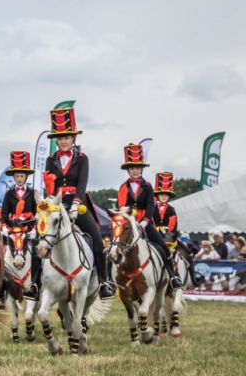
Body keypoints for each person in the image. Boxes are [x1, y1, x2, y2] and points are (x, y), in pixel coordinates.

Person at [42, 107, 114, 299]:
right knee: (40, 239)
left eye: (67, 137)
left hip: (77, 206)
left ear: (74, 138)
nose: (64, 140)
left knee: (97, 239)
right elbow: (50, 186)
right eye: (60, 137)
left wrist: (75, 204)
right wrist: (50, 202)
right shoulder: (50, 160)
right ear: (56, 140)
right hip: (57, 206)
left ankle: (104, 282)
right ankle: (34, 282)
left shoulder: (83, 159)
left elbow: (82, 184)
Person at [116, 147, 182, 289]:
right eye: (132, 168)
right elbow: (121, 205)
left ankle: (173, 276)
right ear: (128, 170)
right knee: (114, 247)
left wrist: (145, 222)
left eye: (137, 168)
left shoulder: (147, 186)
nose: (135, 170)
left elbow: (150, 206)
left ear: (141, 170)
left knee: (164, 247)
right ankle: (111, 280)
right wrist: (127, 219)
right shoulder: (123, 187)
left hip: (145, 222)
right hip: (128, 223)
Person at [0, 150, 39, 300]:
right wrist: (3, 226)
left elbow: (36, 214)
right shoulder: (9, 194)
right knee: (2, 251)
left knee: (38, 250)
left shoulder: (32, 193)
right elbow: (4, 214)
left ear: (26, 177)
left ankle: (36, 282)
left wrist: (34, 229)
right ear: (14, 177)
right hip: (13, 229)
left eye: (22, 176)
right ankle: (3, 284)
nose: (19, 179)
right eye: (17, 176)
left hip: (29, 229)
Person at [153, 171, 203, 286]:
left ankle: (192, 276)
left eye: (166, 194)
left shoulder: (171, 209)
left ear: (169, 196)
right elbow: (150, 221)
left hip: (169, 236)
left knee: (188, 252)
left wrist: (170, 233)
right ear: (157, 195)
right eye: (161, 194)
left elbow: (173, 224)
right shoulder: (153, 208)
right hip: (155, 234)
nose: (164, 196)